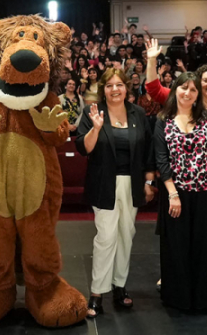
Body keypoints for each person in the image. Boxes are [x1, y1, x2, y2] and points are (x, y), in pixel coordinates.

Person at [75, 68, 155, 318]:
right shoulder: (93, 112)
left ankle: (119, 286)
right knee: (106, 237)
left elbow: (148, 149)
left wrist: (149, 181)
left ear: (126, 88)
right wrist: (96, 129)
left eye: (119, 84)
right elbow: (84, 148)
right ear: (103, 89)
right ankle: (97, 292)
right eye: (109, 85)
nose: (115, 89)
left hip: (131, 183)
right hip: (104, 183)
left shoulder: (138, 113)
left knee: (126, 235)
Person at [155, 72, 207, 313]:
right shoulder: (163, 120)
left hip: (206, 194)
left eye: (192, 90)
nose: (187, 93)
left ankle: (205, 298)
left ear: (197, 95)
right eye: (183, 88)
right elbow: (161, 160)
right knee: (176, 247)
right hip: (176, 195)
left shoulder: (206, 117)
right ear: (175, 90)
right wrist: (172, 194)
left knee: (205, 247)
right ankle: (178, 298)